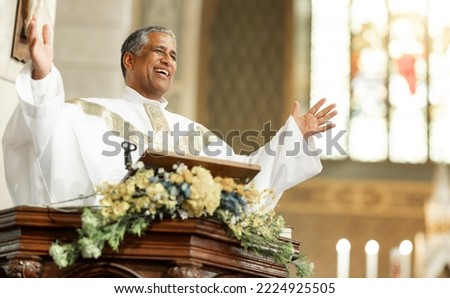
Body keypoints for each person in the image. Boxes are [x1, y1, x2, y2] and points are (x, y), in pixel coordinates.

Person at [2, 18, 337, 210]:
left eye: (173, 56)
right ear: (129, 61)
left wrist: (292, 135)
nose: (167, 60)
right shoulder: (84, 114)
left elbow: (246, 179)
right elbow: (40, 129)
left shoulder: (191, 132)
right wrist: (43, 76)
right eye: (158, 51)